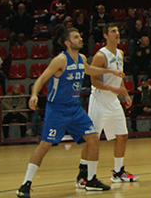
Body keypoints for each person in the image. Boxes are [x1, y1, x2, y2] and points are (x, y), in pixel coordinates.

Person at [16, 28, 125, 198]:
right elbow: (42, 79)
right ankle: (25, 184)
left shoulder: (81, 59)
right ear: (67, 43)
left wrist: (110, 71)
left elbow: (90, 70)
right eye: (76, 37)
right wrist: (34, 94)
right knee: (45, 145)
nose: (80, 38)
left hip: (74, 108)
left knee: (93, 137)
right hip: (57, 109)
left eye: (80, 36)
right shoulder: (60, 60)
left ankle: (90, 180)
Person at [77, 24, 137, 187]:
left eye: (118, 31)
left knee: (122, 135)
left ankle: (118, 172)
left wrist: (124, 93)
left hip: (113, 100)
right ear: (105, 36)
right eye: (113, 32)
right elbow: (94, 81)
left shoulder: (120, 53)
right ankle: (83, 174)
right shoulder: (100, 56)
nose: (117, 34)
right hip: (100, 99)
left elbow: (119, 77)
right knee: (92, 139)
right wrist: (114, 89)